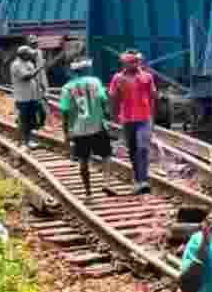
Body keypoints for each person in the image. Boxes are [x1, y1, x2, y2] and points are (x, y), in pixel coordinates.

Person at [57, 58, 111, 198]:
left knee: (83, 160)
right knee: (106, 155)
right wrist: (105, 115)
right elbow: (104, 101)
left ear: (74, 72)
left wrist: (66, 133)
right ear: (87, 69)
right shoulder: (95, 82)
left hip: (79, 130)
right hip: (97, 127)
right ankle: (106, 183)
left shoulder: (67, 88)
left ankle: (88, 191)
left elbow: (65, 112)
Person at [108, 50, 157, 195]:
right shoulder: (117, 78)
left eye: (136, 61)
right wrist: (113, 114)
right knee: (133, 150)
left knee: (143, 148)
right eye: (131, 62)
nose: (134, 64)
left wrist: (152, 117)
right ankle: (138, 179)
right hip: (127, 119)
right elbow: (113, 97)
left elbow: (153, 96)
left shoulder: (147, 76)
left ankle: (143, 180)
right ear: (124, 63)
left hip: (144, 118)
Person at [11, 46, 47, 148]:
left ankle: (27, 140)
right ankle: (23, 142)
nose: (31, 55)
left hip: (33, 96)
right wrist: (40, 67)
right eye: (29, 54)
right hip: (22, 97)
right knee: (24, 120)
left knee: (34, 118)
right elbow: (26, 77)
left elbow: (33, 77)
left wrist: (40, 85)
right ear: (23, 54)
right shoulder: (16, 65)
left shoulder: (29, 63)